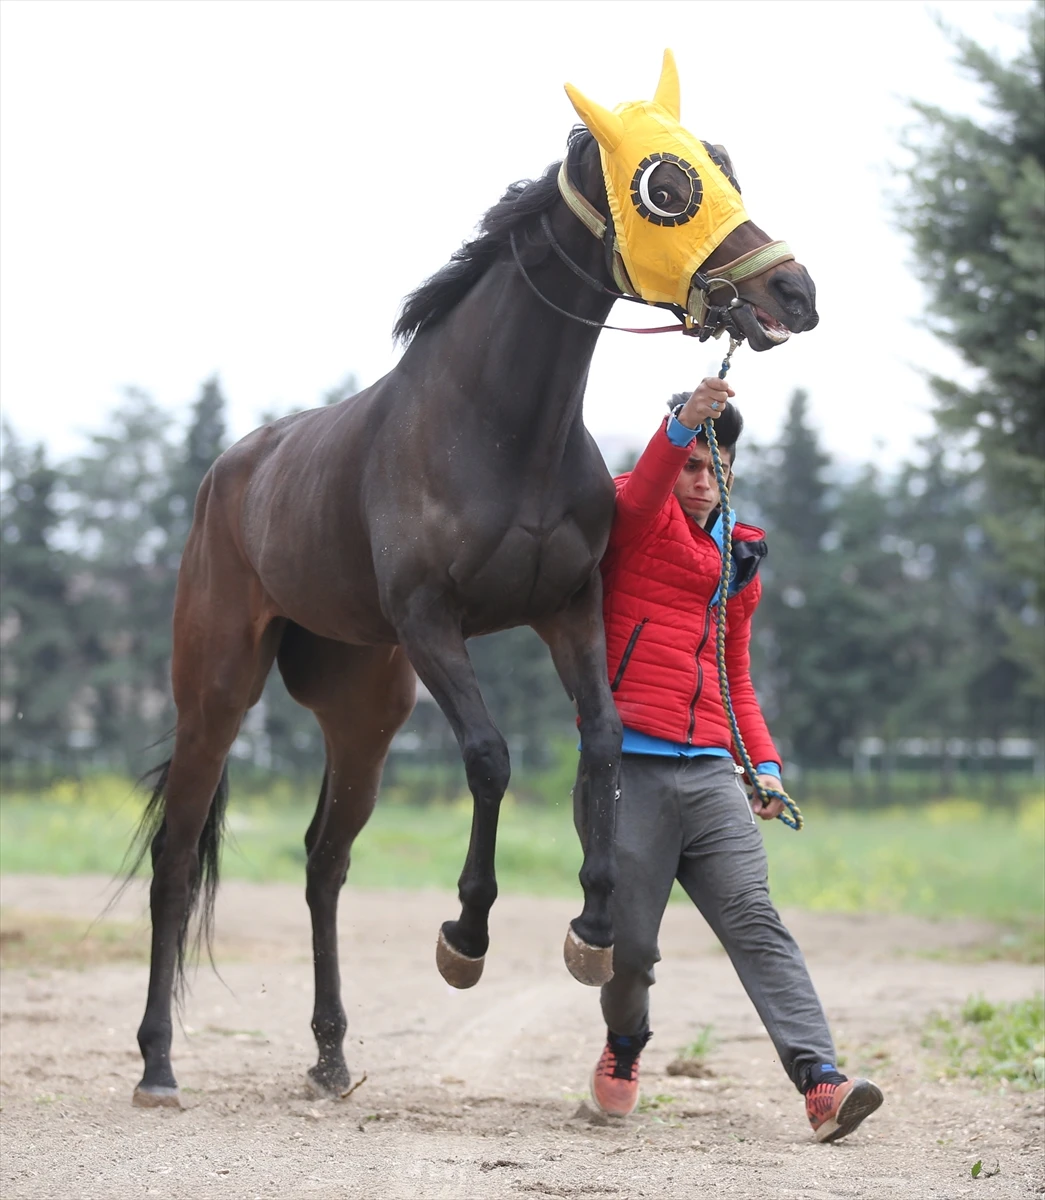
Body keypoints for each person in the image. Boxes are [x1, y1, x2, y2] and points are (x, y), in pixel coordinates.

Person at [581, 376, 883, 1143]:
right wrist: (683, 424)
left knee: (755, 920)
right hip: (631, 771)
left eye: (718, 467)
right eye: (692, 464)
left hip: (712, 771)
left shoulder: (739, 559)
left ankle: (820, 1082)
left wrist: (766, 767)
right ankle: (623, 1048)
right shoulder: (634, 517)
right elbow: (645, 485)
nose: (704, 480)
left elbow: (733, 675)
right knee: (634, 952)